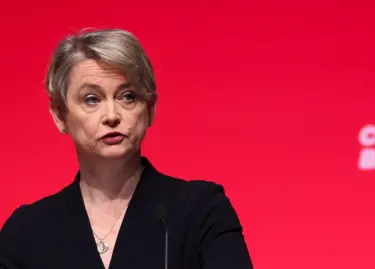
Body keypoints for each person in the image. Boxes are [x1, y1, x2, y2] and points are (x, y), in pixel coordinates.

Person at [0, 28, 253, 269]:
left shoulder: (200, 210)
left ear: (150, 108)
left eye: (128, 96)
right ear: (59, 115)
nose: (112, 116)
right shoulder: (27, 231)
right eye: (92, 99)